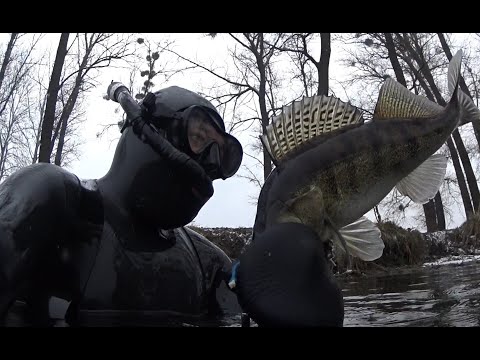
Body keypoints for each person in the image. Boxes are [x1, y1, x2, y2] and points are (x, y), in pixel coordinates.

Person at [0, 82, 345, 327]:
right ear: (146, 129)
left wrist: (304, 291)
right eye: (198, 138)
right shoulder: (55, 201)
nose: (208, 166)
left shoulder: (207, 263)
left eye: (219, 155)